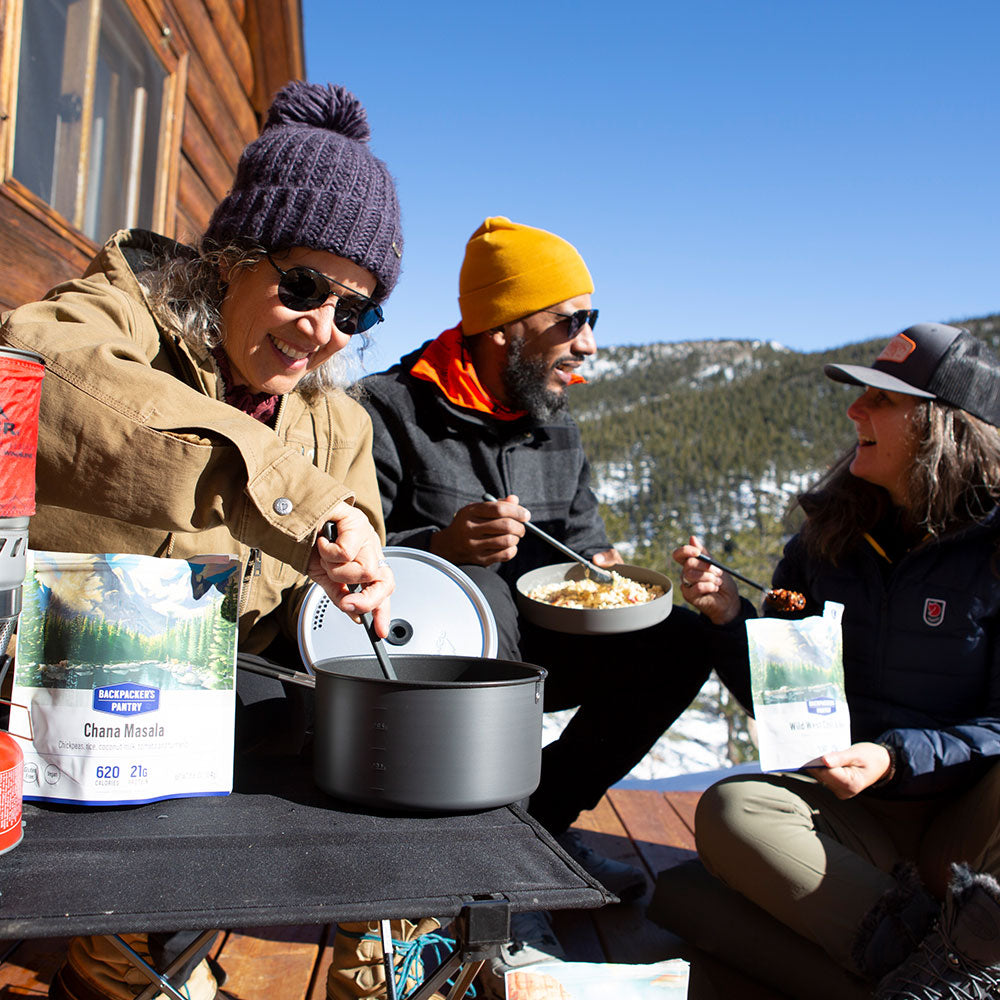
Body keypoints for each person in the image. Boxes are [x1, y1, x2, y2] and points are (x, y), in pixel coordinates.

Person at [1, 81, 404, 1000]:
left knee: (361, 725)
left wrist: (353, 571)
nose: (321, 329)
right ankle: (127, 967)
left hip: (208, 696)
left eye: (356, 311)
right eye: (303, 286)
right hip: (60, 670)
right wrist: (303, 505)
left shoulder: (337, 424)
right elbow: (40, 361)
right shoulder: (121, 315)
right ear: (231, 260)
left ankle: (371, 951)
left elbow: (349, 531)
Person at [358, 217, 746, 933]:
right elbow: (350, 553)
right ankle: (457, 864)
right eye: (571, 321)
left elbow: (582, 542)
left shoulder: (552, 419)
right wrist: (439, 544)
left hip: (543, 644)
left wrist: (604, 573)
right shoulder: (390, 409)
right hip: (428, 666)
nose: (589, 343)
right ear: (505, 325)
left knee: (681, 642)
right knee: (482, 601)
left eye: (591, 319)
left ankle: (539, 826)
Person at [673, 322, 1000, 999]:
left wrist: (897, 754)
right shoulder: (828, 539)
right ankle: (945, 971)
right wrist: (731, 619)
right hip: (856, 822)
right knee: (733, 812)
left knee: (694, 902)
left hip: (968, 824)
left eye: (881, 400)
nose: (855, 412)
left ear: (944, 428)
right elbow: (786, 702)